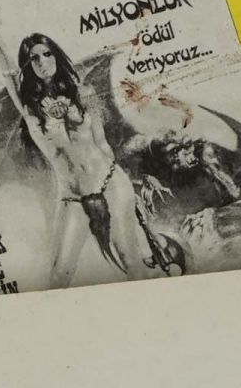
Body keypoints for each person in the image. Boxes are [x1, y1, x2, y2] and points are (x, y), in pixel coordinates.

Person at [15, 33, 157, 284]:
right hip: (74, 195)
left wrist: (129, 193)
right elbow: (54, 152)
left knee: (131, 262)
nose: (42, 62)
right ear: (28, 66)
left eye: (47, 54)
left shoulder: (84, 92)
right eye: (34, 58)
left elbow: (101, 143)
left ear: (56, 55)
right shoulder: (32, 111)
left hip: (110, 181)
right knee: (59, 274)